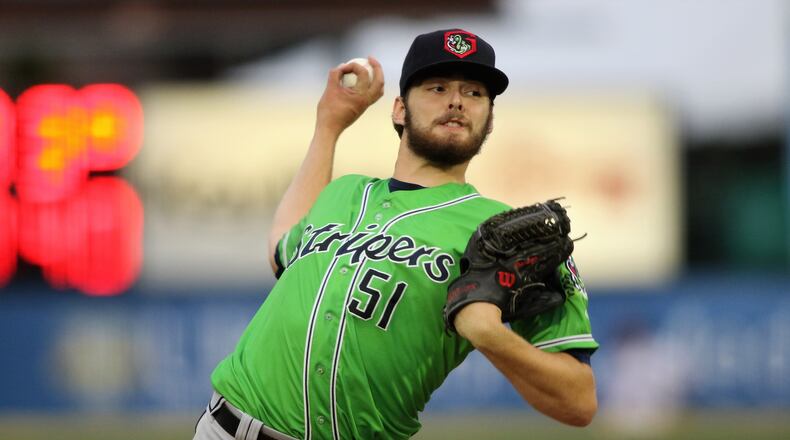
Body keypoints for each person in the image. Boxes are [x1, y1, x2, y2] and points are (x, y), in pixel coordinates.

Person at [194, 28, 599, 440]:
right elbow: (282, 248)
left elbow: (579, 401)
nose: (456, 100)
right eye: (437, 87)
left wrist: (489, 334)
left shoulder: (509, 234)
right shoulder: (343, 193)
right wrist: (329, 124)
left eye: (474, 92)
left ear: (489, 118)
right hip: (223, 428)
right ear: (400, 110)